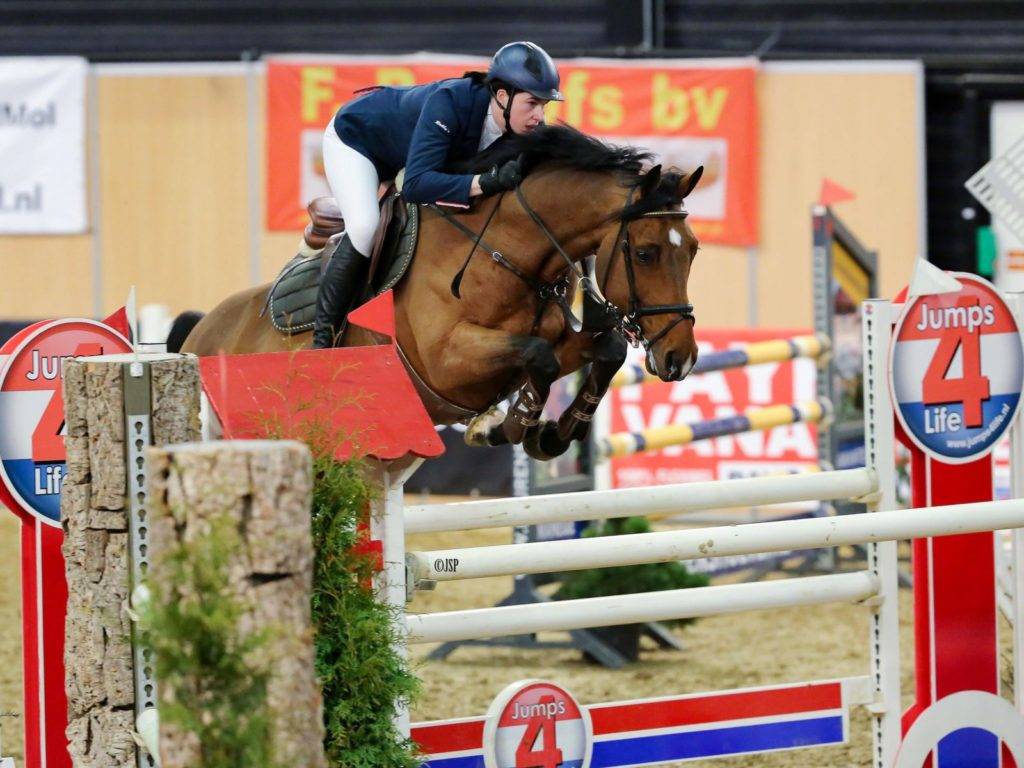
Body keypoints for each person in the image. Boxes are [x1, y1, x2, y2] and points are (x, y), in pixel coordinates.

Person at [311, 41, 563, 349]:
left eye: (544, 106)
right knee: (365, 227)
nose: (539, 116)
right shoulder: (451, 102)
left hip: (401, 151)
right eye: (533, 103)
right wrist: (484, 182)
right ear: (502, 96)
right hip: (356, 141)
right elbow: (416, 185)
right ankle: (323, 340)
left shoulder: (523, 126)